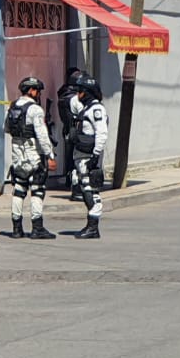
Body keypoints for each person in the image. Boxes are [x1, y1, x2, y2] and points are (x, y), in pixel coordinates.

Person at [5, 75, 58, 240]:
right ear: (32, 90)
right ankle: (37, 227)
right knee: (37, 190)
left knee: (19, 190)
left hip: (17, 152)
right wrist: (49, 155)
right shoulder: (35, 110)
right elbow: (42, 136)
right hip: (32, 153)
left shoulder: (13, 106)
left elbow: (7, 128)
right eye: (37, 91)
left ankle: (16, 228)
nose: (39, 94)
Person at [70, 74, 109, 239]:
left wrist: (95, 155)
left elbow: (102, 133)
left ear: (88, 92)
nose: (78, 95)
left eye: (81, 91)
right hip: (81, 156)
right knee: (85, 188)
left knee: (91, 190)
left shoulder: (96, 109)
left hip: (88, 156)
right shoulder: (86, 109)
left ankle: (93, 226)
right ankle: (91, 225)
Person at [57, 67, 85, 198]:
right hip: (76, 130)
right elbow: (83, 114)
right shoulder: (75, 98)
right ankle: (76, 187)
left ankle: (70, 180)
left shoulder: (63, 94)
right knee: (77, 159)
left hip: (67, 129)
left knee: (69, 158)